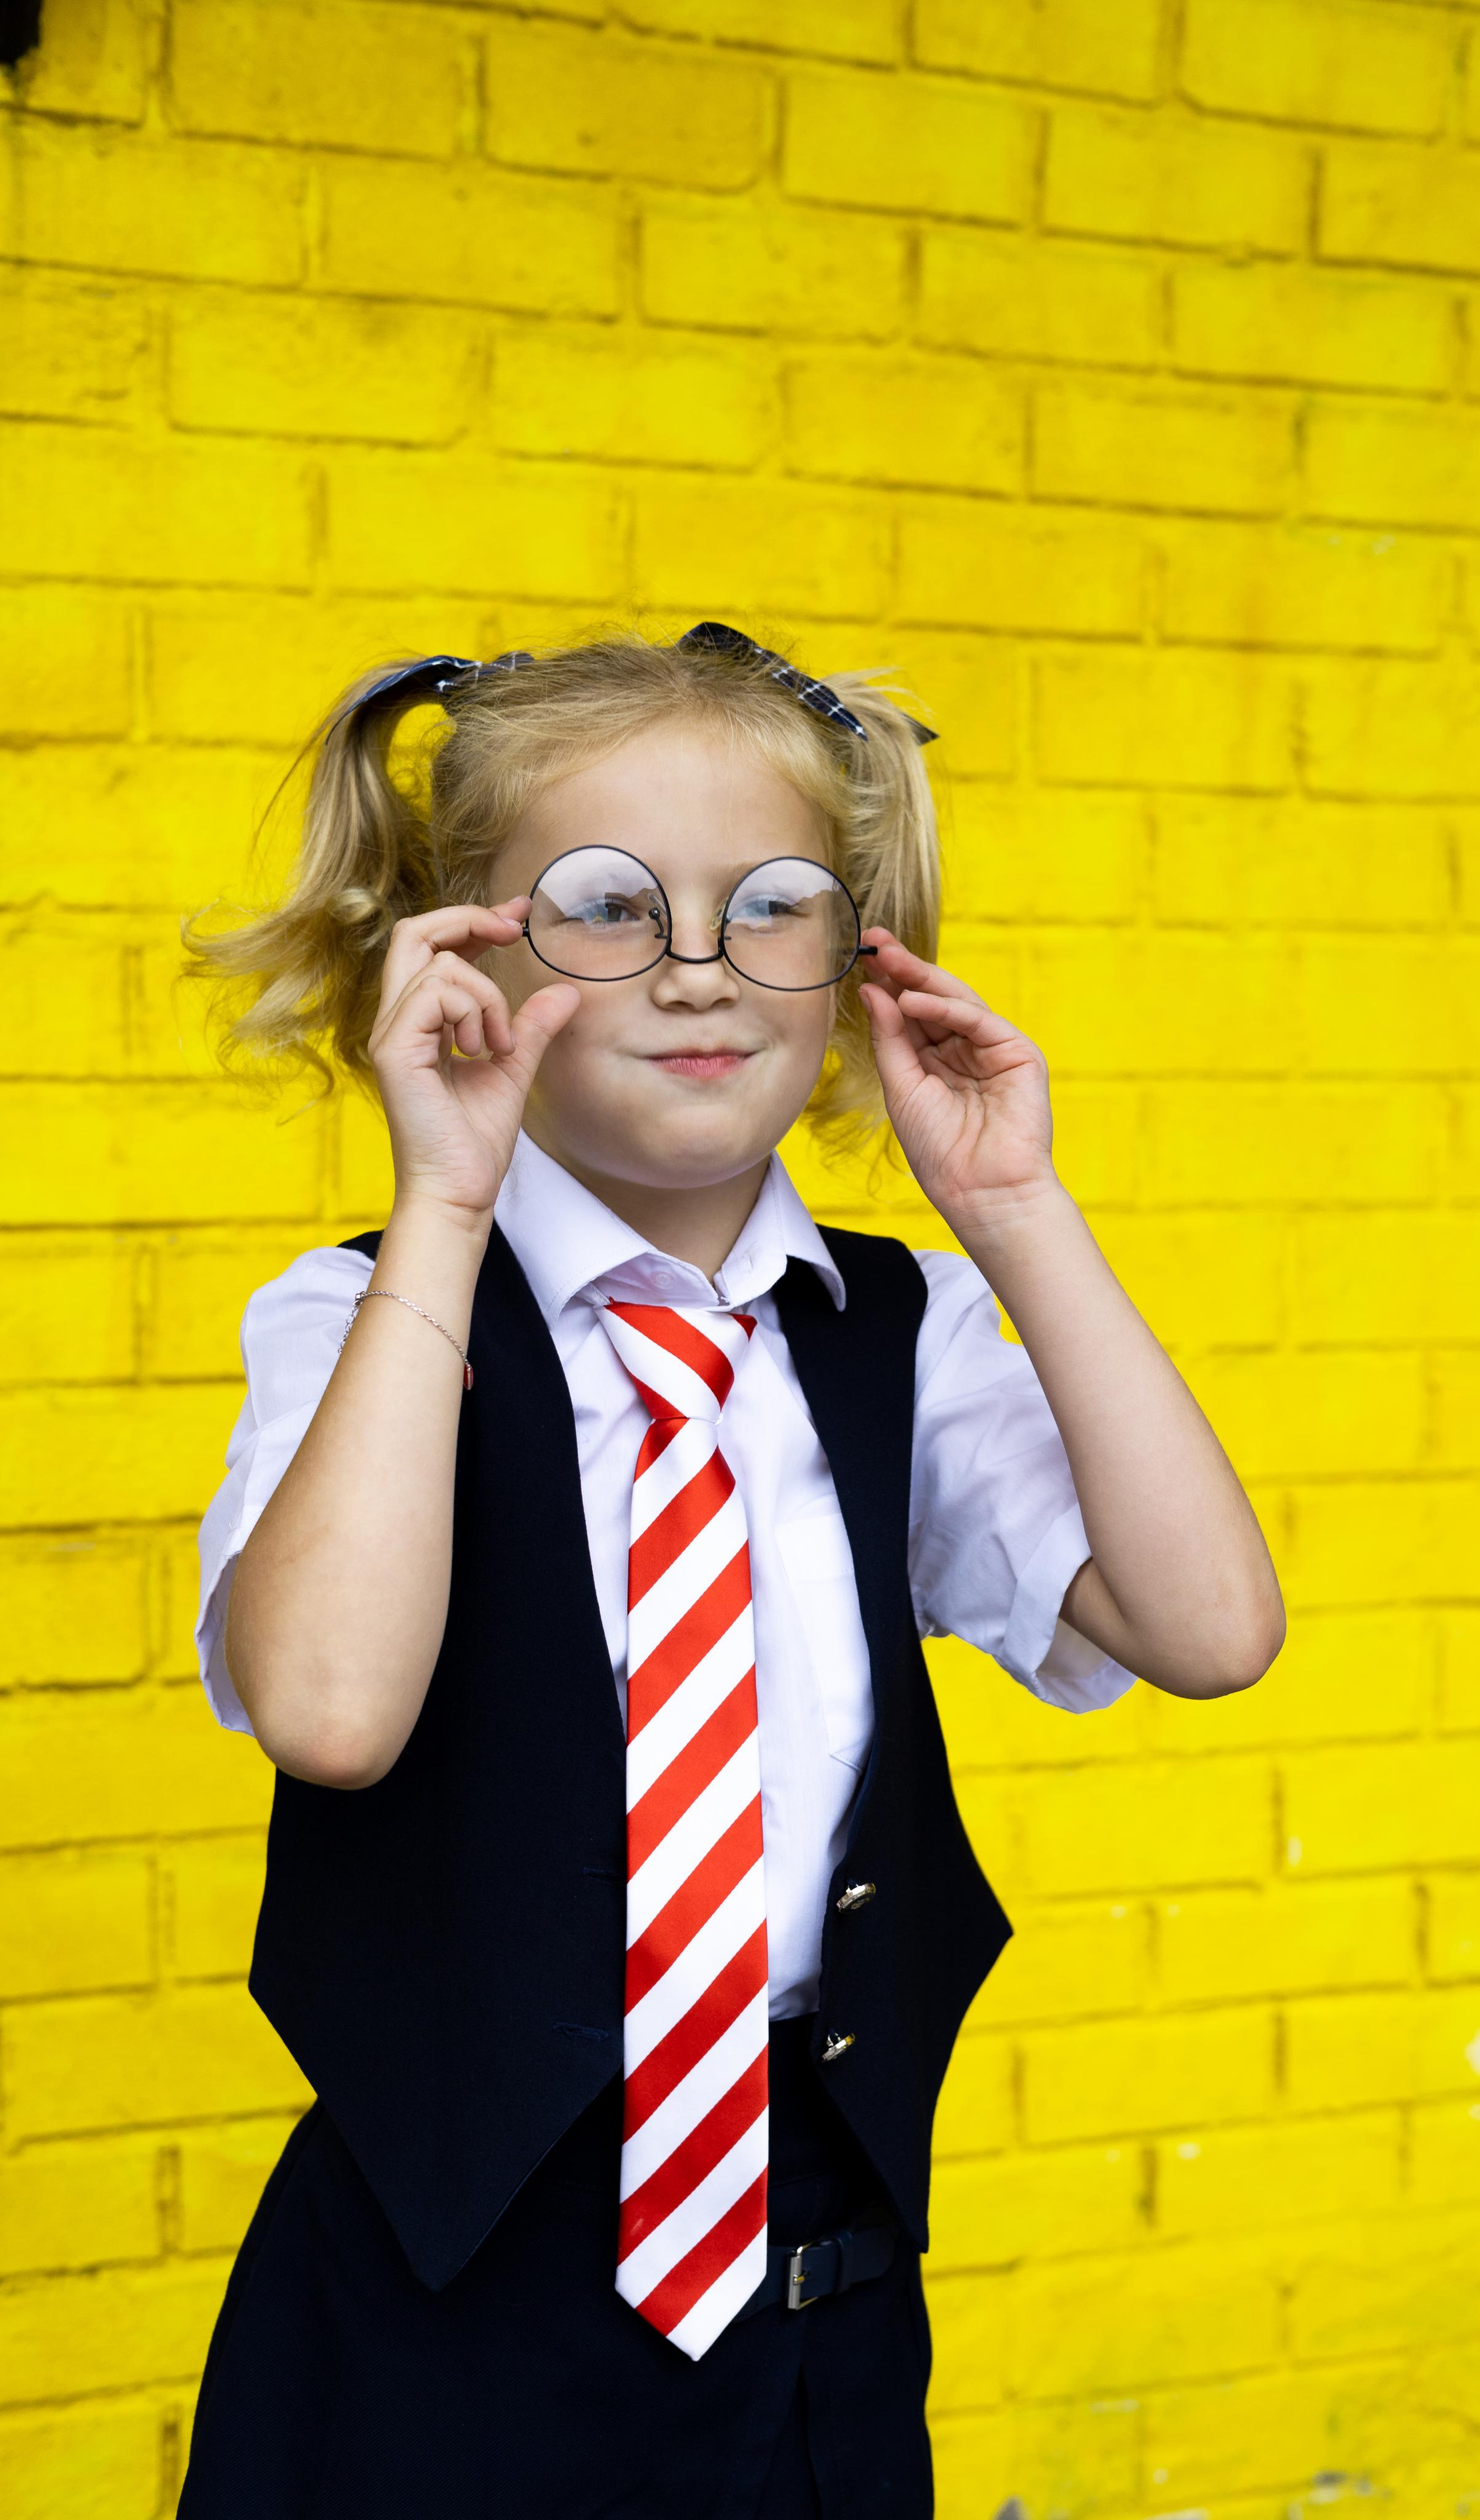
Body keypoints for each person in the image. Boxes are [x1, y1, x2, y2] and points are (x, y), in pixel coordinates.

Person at [177, 623, 1285, 2520]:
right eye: (608, 906)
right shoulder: (370, 1316)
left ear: (853, 953)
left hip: (810, 2306)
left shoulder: (892, 1335)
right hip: (436, 2315)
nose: (699, 971)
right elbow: (335, 1714)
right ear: (470, 953)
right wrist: (447, 1196)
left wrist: (1015, 1212)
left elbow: (1209, 1630)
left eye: (768, 906)